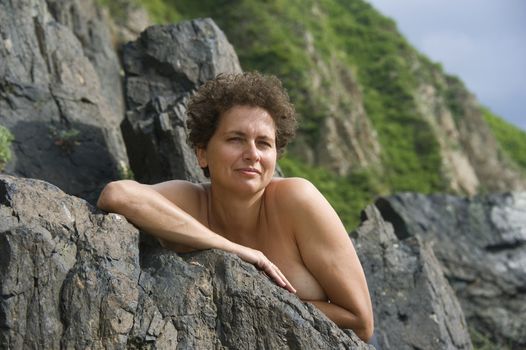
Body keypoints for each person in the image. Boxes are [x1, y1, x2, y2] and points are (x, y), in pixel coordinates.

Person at [97, 72, 373, 341]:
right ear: (202, 153)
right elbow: (117, 195)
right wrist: (237, 251)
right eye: (236, 139)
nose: (252, 154)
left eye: (264, 143)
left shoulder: (296, 200)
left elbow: (361, 323)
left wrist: (265, 304)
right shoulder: (193, 201)